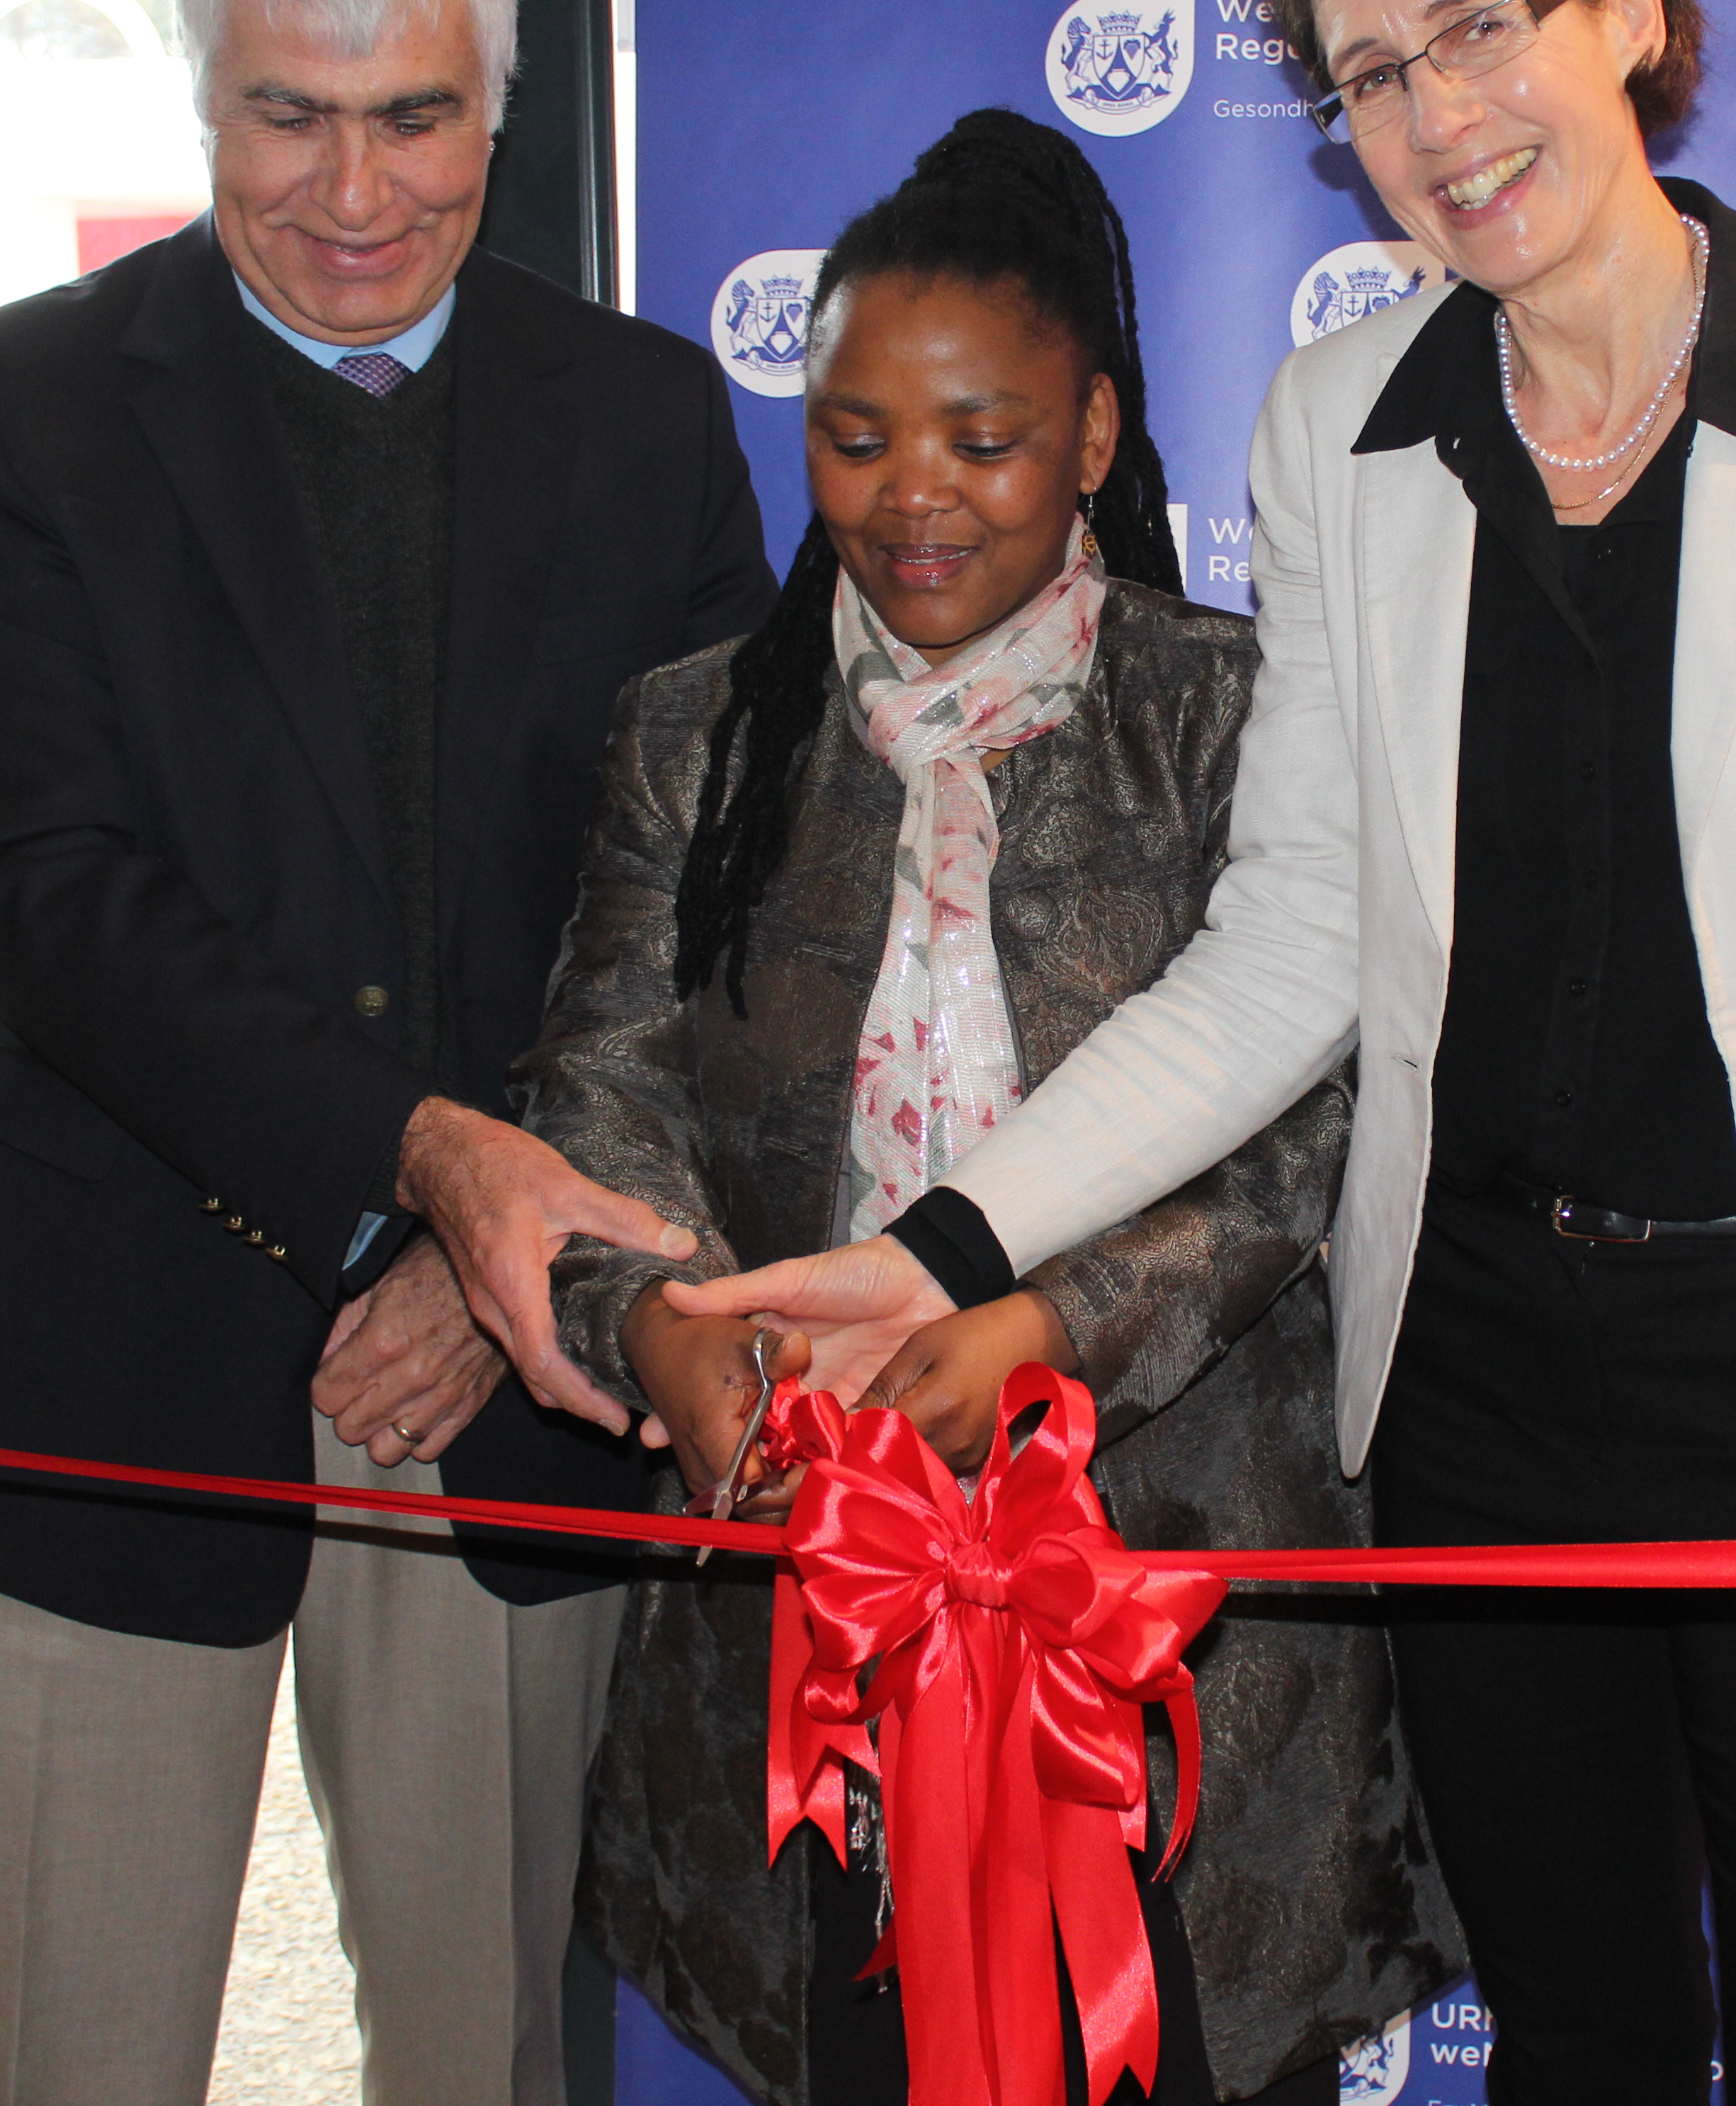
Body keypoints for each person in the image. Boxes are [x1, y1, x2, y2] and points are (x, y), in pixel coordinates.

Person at [674, 0, 1736, 2104]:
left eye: (1478, 31)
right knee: (1576, 2042)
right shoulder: (1347, 429)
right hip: (1475, 1395)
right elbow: (1292, 951)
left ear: (1633, 16)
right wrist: (947, 1249)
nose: (1436, 119)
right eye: (1371, 75)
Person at [0, 0, 771, 2106]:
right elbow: (47, 890)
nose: (354, 190)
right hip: (104, 1354)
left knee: (482, 2054)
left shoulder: (647, 411)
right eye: (289, 114)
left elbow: (694, 888)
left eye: (415, 117)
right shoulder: (14, 410)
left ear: (501, 101)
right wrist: (410, 1182)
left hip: (501, 1378)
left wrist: (502, 1247)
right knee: (57, 2053)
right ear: (201, 93)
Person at [518, 107, 1462, 2106]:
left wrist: (1046, 1336)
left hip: (1184, 1613)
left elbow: (1310, 1123)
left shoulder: (1231, 710)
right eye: (854, 436)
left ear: (1096, 441)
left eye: (983, 436)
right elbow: (603, 1083)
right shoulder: (704, 731)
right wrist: (671, 1334)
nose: (912, 497)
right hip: (811, 1588)